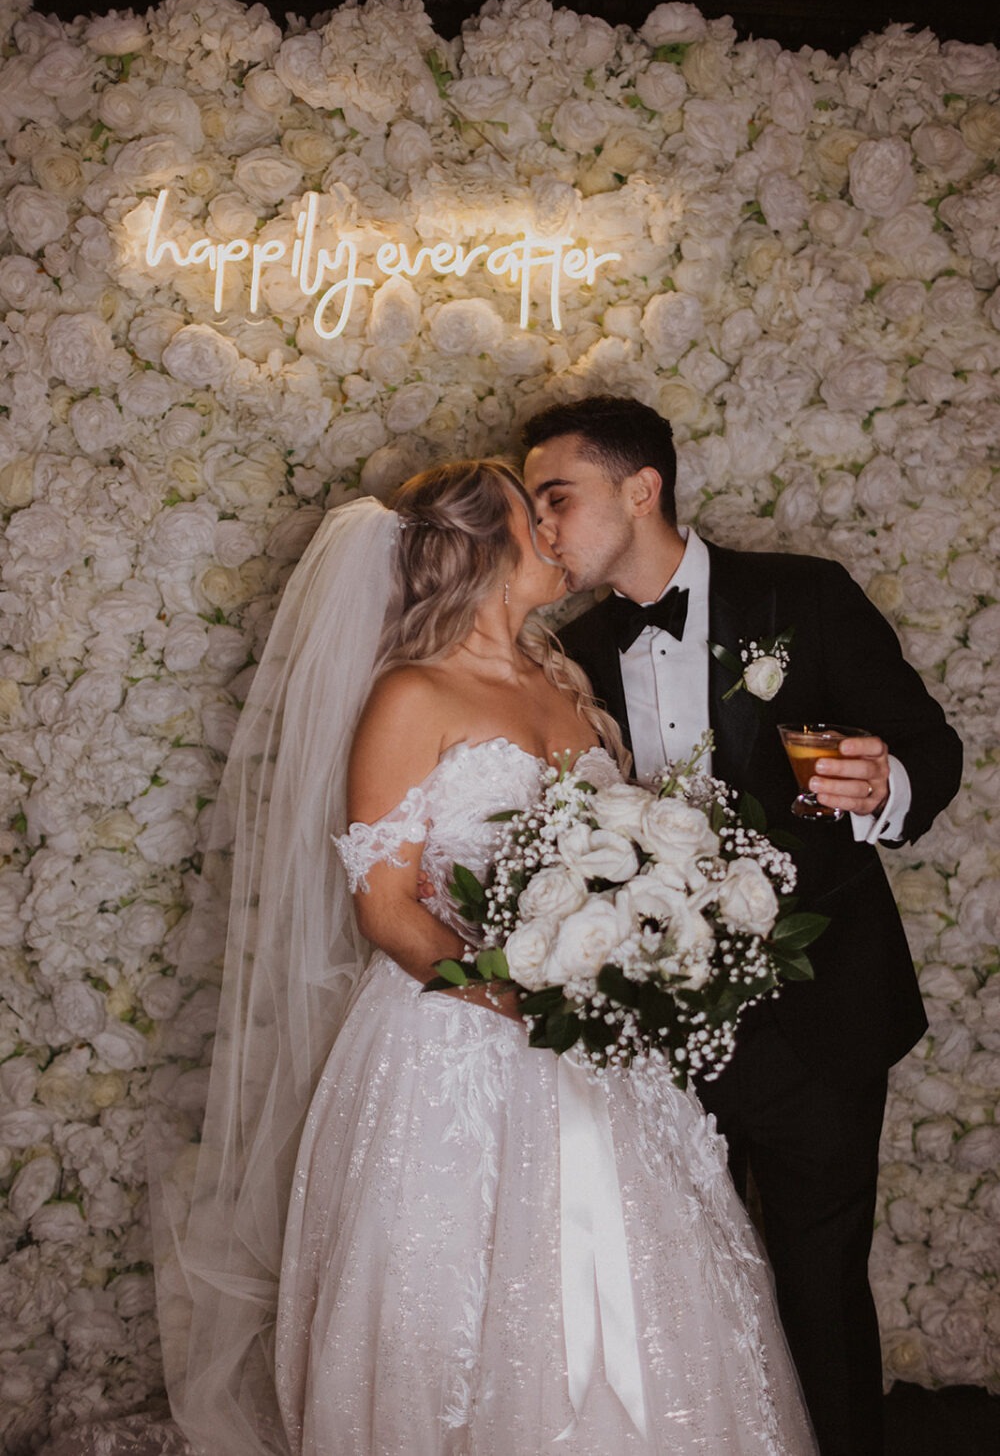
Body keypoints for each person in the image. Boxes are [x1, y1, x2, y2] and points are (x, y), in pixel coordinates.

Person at [153, 458, 819, 1456]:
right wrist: (510, 994)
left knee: (647, 1288)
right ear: (480, 554)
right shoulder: (411, 697)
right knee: (471, 1302)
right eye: (533, 519)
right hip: (457, 1043)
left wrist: (657, 939)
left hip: (603, 1048)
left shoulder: (563, 679)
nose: (555, 538)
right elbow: (385, 907)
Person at [521, 396, 964, 1456]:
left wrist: (884, 781)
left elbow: (928, 749)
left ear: (641, 489)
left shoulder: (802, 596)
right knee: (683, 1284)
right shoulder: (569, 655)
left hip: (823, 1016)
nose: (542, 529)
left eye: (556, 498)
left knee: (819, 1280)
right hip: (661, 1035)